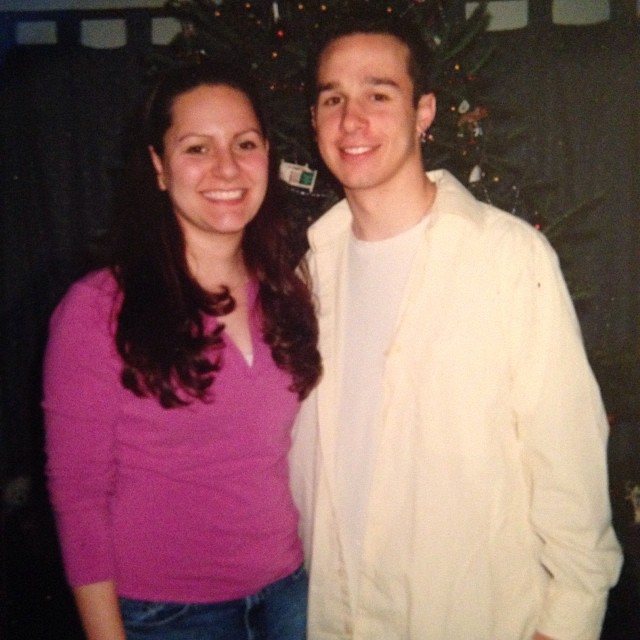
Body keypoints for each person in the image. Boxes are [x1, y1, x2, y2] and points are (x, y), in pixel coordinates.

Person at [288, 13, 622, 640]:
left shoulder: (507, 257)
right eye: (332, 99)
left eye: (378, 95)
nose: (351, 120)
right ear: (314, 119)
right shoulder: (311, 273)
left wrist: (567, 624)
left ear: (424, 112)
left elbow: (568, 461)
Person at [43, 60, 321, 640]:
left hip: (290, 593)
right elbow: (78, 496)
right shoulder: (97, 310)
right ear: (159, 168)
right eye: (197, 148)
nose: (227, 167)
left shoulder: (289, 290)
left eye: (245, 143)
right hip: (168, 615)